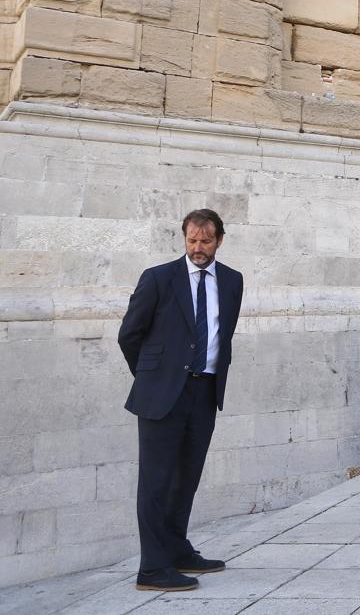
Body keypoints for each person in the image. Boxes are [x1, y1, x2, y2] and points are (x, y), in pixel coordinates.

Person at [118, 209, 243, 592]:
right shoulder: (158, 278)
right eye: (192, 240)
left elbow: (225, 334)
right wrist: (154, 377)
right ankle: (153, 569)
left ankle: (176, 549)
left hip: (205, 392)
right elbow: (129, 335)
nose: (198, 248)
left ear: (219, 240)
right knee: (155, 482)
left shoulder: (232, 281)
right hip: (162, 394)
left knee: (186, 478)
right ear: (184, 238)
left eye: (206, 241)